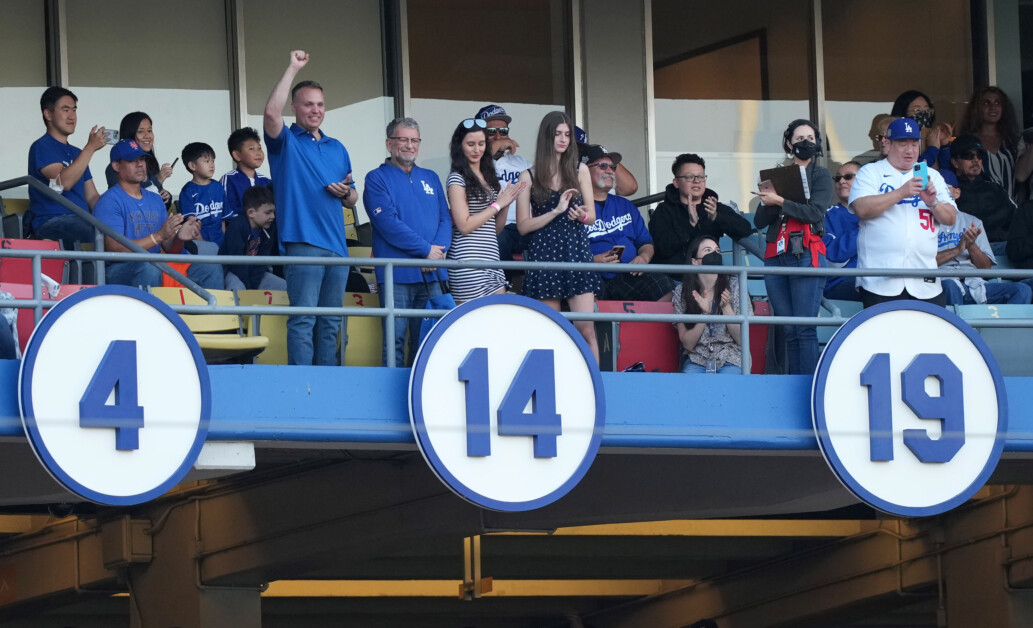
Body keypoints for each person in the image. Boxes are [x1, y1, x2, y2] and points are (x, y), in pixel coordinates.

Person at [263, 50, 356, 366]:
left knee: (330, 324)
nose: (315, 110)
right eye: (307, 104)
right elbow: (271, 115)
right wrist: (292, 68)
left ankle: (326, 389)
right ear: (295, 108)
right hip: (303, 242)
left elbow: (354, 197)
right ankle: (303, 392)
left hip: (337, 246)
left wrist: (345, 194)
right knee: (303, 321)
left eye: (320, 105)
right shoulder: (286, 142)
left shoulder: (337, 147)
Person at [364, 117, 451, 367]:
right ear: (389, 143)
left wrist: (437, 252)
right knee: (395, 342)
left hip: (433, 274)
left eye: (414, 140)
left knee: (430, 343)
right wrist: (426, 251)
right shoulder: (376, 178)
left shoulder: (431, 177)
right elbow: (388, 224)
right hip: (397, 275)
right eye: (403, 139)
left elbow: (445, 219)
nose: (409, 145)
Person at [515, 111, 600, 362]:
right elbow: (522, 226)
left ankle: (596, 389)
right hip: (544, 252)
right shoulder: (527, 176)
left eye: (567, 135)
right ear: (546, 137)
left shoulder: (580, 169)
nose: (563, 140)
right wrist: (556, 211)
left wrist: (580, 215)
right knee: (552, 331)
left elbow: (592, 216)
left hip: (576, 250)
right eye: (557, 134)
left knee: (587, 330)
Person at [848, 117, 958, 308]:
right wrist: (901, 192)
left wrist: (933, 204)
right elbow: (861, 208)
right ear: (887, 144)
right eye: (902, 143)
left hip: (926, 282)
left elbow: (951, 218)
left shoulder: (932, 176)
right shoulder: (870, 172)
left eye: (914, 143)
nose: (910, 150)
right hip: (880, 282)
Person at [754, 119, 832, 375]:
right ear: (788, 143)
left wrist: (780, 200)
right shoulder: (777, 174)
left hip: (806, 252)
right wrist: (768, 201)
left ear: (817, 142)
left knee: (804, 328)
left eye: (810, 138)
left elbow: (813, 212)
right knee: (788, 329)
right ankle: (793, 384)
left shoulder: (820, 174)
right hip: (775, 255)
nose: (805, 143)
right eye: (799, 138)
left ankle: (807, 388)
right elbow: (758, 221)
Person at [95, 139, 221, 289]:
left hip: (155, 264)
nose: (140, 164)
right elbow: (116, 249)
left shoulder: (155, 199)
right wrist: (158, 236)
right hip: (121, 269)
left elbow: (170, 248)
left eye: (142, 159)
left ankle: (212, 313)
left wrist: (179, 238)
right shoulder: (109, 200)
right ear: (116, 166)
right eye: (132, 160)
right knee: (149, 267)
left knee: (211, 268)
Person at [445, 118, 526, 303]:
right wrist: (497, 205)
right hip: (467, 263)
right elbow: (464, 225)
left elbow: (495, 230)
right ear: (460, 146)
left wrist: (505, 205)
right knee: (472, 325)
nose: (477, 150)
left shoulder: (488, 177)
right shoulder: (456, 178)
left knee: (497, 325)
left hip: (492, 262)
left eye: (481, 144)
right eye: (471, 144)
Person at [582, 144, 673, 301]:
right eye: (603, 166)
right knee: (583, 293)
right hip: (591, 275)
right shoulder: (575, 207)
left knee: (666, 286)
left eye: (612, 167)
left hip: (629, 274)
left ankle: (646, 326)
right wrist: (593, 261)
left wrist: (644, 257)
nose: (610, 171)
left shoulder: (626, 205)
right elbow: (564, 254)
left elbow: (645, 242)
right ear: (584, 171)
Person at [27, 86, 105, 248]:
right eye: (65, 109)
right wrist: (90, 148)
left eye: (74, 110)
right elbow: (62, 183)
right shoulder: (42, 146)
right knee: (96, 232)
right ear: (48, 114)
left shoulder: (78, 153)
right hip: (52, 221)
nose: (72, 116)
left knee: (119, 229)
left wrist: (115, 211)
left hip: (81, 220)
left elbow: (92, 197)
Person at [649, 153, 752, 275]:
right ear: (676, 182)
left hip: (709, 277)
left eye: (701, 176)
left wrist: (716, 217)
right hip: (675, 278)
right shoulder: (664, 210)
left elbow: (745, 229)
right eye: (689, 177)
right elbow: (662, 249)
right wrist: (690, 225)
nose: (696, 181)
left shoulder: (713, 206)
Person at [672, 236, 751, 374]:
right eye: (707, 250)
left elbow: (742, 339)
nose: (714, 254)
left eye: (717, 251)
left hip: (731, 358)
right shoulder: (682, 292)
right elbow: (688, 344)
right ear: (695, 262)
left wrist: (726, 308)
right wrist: (705, 314)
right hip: (697, 359)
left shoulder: (736, 286)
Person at [475, 105, 532, 263]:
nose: (499, 136)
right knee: (498, 240)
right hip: (494, 227)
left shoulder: (522, 163)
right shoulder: (474, 163)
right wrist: (495, 147)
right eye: (492, 132)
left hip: (523, 225)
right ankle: (502, 286)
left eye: (504, 132)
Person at [938, 210, 1031, 305]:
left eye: (948, 193)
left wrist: (971, 245)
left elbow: (986, 268)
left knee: (1022, 290)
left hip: (974, 285)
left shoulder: (973, 221)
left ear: (957, 194)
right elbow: (922, 263)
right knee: (950, 285)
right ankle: (958, 320)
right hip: (941, 284)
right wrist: (957, 250)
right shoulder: (923, 224)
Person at [951, 134, 1015, 255]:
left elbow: (1017, 220)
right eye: (968, 156)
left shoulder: (995, 188)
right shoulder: (948, 191)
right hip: (964, 251)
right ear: (955, 162)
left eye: (979, 156)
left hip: (1001, 247)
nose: (975, 160)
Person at [959, 86, 1022, 199]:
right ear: (977, 108)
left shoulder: (1013, 141)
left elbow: (1021, 178)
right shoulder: (968, 142)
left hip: (1012, 210)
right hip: (980, 209)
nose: (993, 107)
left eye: (997, 103)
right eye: (986, 103)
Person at [219, 185, 285, 291]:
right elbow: (236, 263)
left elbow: (262, 261)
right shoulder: (237, 226)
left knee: (284, 287)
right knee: (237, 288)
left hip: (255, 274)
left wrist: (253, 285)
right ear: (251, 213)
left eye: (273, 212)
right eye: (267, 213)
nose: (273, 216)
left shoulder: (268, 228)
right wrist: (249, 286)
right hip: (231, 272)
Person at [104, 111, 175, 207]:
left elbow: (154, 206)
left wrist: (166, 197)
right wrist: (158, 180)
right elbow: (127, 201)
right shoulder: (116, 166)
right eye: (140, 131)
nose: (147, 136)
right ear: (130, 134)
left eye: (149, 131)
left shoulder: (151, 162)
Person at [822, 161, 862, 301]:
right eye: (838, 178)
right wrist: (862, 229)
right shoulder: (827, 215)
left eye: (848, 177)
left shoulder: (880, 214)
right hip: (840, 282)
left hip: (878, 279)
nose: (842, 181)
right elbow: (831, 258)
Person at [178, 142, 226, 247]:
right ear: (192, 165)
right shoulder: (187, 191)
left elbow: (223, 220)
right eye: (207, 161)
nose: (212, 164)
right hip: (199, 244)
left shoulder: (218, 187)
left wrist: (226, 242)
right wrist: (203, 244)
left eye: (213, 160)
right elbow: (191, 223)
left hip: (221, 243)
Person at [890, 90, 953, 168]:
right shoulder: (894, 139)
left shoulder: (932, 137)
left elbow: (946, 171)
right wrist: (933, 149)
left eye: (927, 110)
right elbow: (915, 170)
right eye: (917, 110)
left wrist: (944, 145)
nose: (924, 114)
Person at [220, 127, 272, 221]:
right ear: (237, 155)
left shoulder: (267, 181)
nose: (259, 153)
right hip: (240, 233)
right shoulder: (229, 179)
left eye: (259, 148)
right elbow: (228, 213)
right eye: (252, 149)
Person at [573, 126, 638, 196]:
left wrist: (602, 156)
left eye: (579, 149)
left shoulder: (591, 169)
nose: (575, 152)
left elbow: (630, 188)